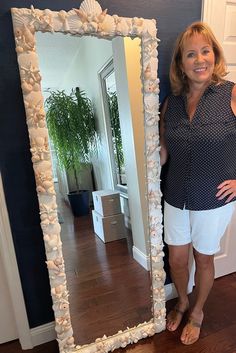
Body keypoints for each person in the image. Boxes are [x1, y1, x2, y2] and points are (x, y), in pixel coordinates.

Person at [160, 21, 236, 345]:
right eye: (191, 54)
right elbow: (163, 154)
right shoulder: (170, 104)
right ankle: (182, 301)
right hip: (175, 195)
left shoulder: (231, 93)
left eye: (205, 51)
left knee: (203, 258)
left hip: (213, 197)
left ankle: (198, 311)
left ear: (215, 54)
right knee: (176, 259)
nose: (200, 59)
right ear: (181, 63)